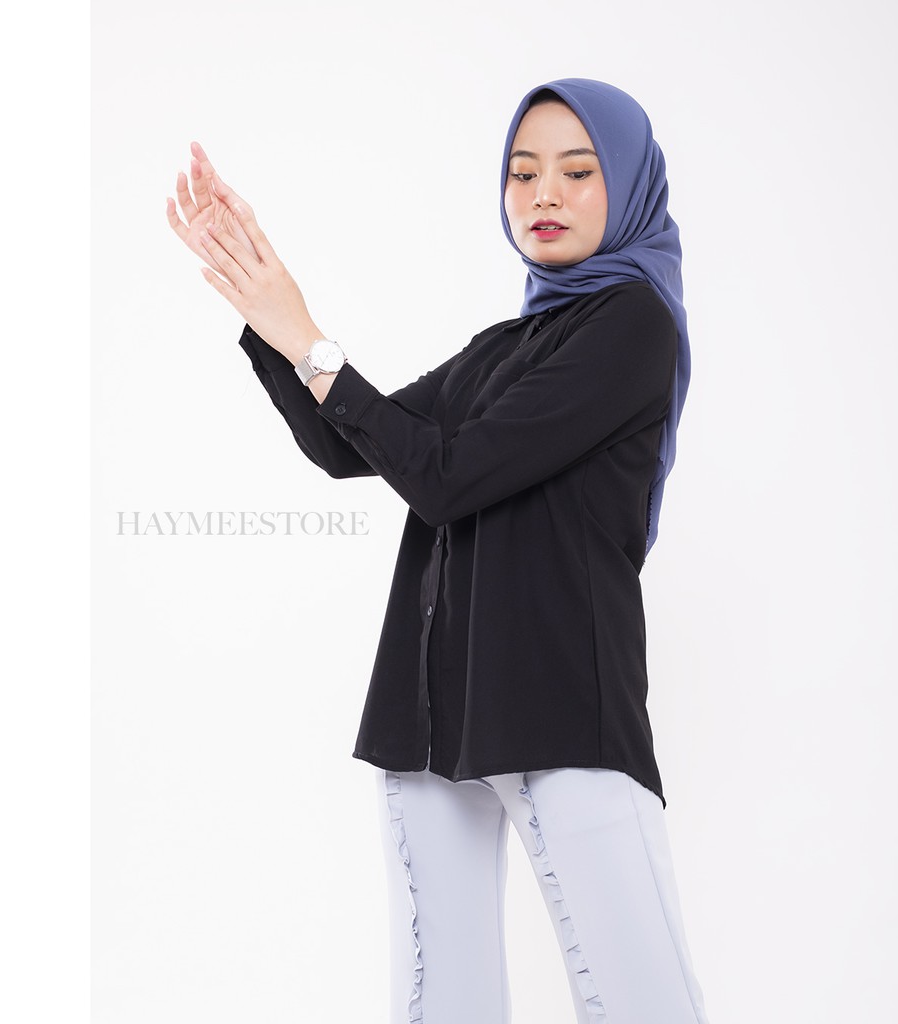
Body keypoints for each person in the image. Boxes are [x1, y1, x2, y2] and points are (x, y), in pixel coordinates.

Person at [168, 77, 711, 1024]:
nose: (543, 194)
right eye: (523, 173)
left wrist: (309, 337)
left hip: (560, 709)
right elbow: (349, 445)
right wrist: (272, 314)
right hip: (431, 713)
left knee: (643, 1002)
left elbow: (448, 478)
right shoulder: (504, 346)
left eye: (577, 172)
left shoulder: (632, 326)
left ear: (628, 184)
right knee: (442, 1003)